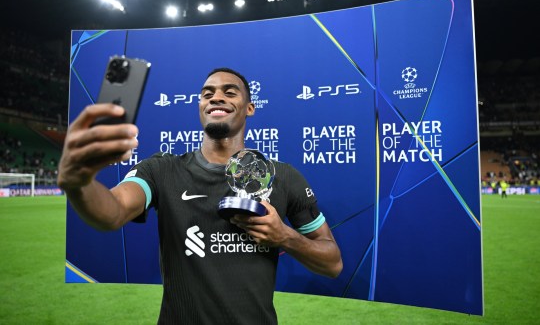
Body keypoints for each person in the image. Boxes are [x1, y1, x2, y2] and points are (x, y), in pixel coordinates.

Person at [57, 67, 343, 324]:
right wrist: (79, 182)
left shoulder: (283, 176)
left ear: (250, 108)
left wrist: (285, 237)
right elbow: (113, 211)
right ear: (200, 106)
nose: (216, 97)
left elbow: (333, 263)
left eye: (229, 92)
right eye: (207, 94)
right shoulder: (161, 169)